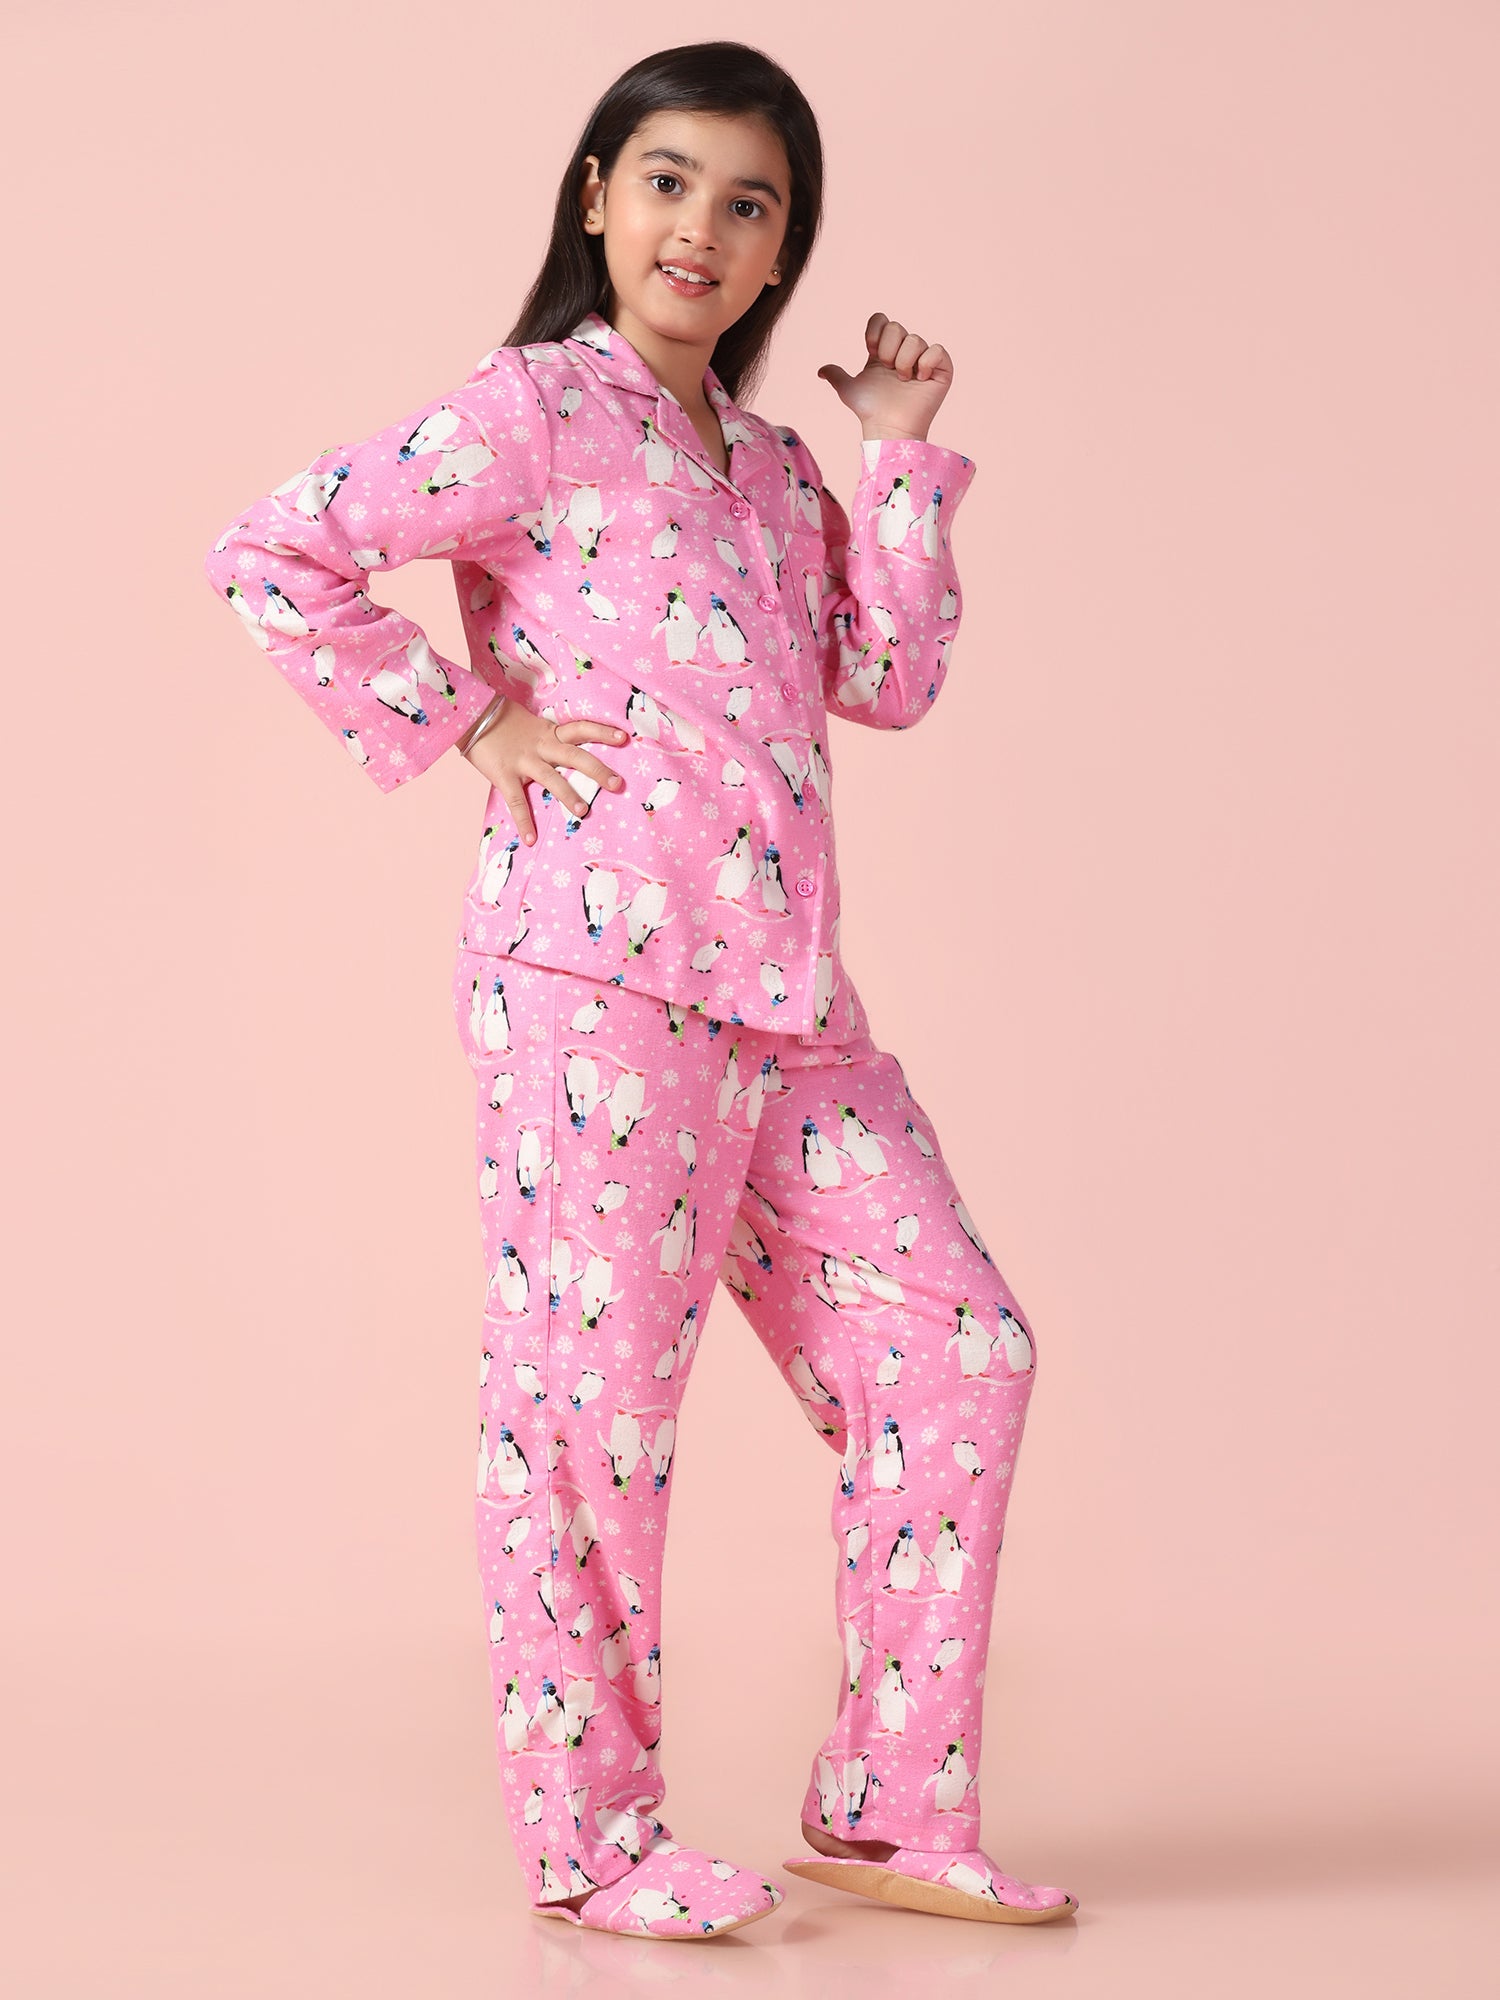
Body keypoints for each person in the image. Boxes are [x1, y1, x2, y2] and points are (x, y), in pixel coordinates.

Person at [202, 38, 1076, 1944]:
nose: (703, 228)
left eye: (750, 204)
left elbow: (888, 678)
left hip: (791, 1000)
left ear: (781, 250)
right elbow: (273, 552)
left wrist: (898, 457)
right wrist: (466, 721)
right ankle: (590, 1843)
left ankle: (887, 1806)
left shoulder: (768, 467)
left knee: (959, 1350)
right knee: (591, 1413)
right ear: (598, 195)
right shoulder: (531, 412)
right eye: (669, 181)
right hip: (593, 986)